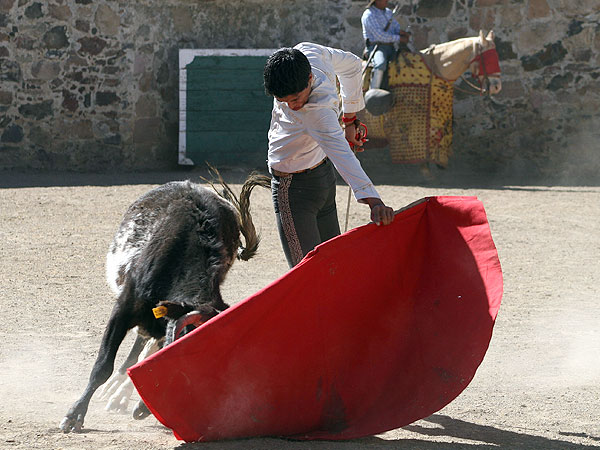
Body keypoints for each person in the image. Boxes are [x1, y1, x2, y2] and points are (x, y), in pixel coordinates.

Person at [263, 42, 395, 268]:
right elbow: (353, 65)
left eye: (295, 99)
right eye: (283, 101)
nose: (292, 107)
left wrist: (374, 201)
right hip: (323, 177)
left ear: (310, 79)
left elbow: (342, 154)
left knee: (305, 278)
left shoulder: (317, 113)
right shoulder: (308, 52)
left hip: (294, 190)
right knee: (333, 266)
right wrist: (350, 119)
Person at [361, 0, 410, 89]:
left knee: (408, 60)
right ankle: (374, 92)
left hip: (391, 46)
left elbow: (395, 27)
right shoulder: (369, 15)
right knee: (380, 63)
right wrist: (399, 38)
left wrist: (402, 33)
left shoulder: (388, 12)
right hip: (377, 47)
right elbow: (380, 36)